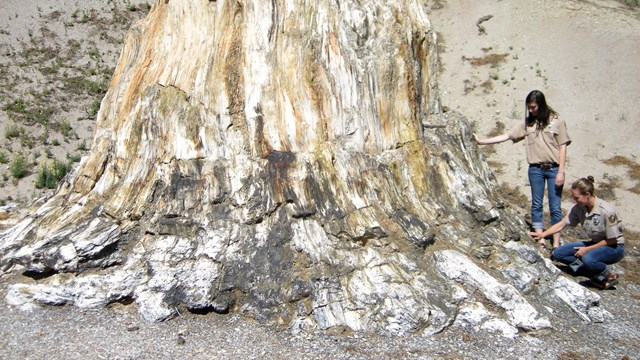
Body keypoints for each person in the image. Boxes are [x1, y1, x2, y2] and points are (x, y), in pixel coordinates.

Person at [474, 90, 571, 250]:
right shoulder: (528, 124)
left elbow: (563, 147)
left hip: (554, 169)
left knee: (555, 207)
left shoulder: (557, 121)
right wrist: (482, 141)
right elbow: (506, 136)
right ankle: (540, 238)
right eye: (529, 108)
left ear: (541, 105)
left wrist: (561, 171)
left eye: (533, 107)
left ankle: (555, 242)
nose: (531, 110)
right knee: (537, 204)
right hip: (535, 169)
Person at [530, 176, 625, 289]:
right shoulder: (579, 208)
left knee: (587, 258)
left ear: (587, 195)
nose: (574, 200)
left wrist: (587, 250)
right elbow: (561, 224)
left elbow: (612, 239)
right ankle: (593, 273)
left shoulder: (607, 211)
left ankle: (608, 275)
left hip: (613, 247)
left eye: (577, 197)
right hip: (595, 243)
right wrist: (542, 235)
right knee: (558, 254)